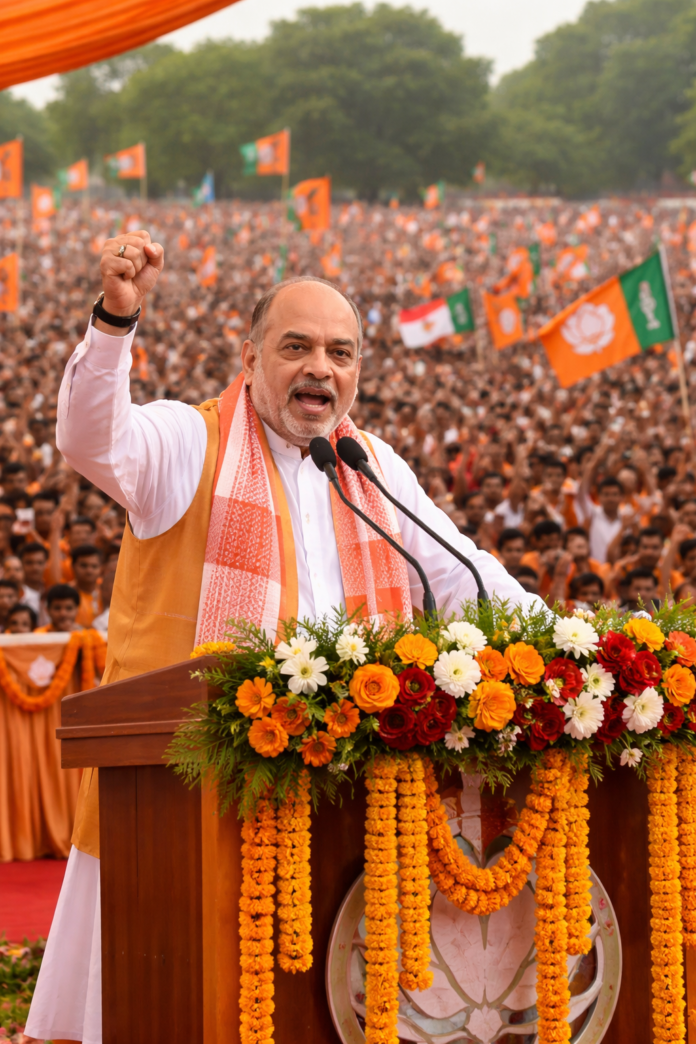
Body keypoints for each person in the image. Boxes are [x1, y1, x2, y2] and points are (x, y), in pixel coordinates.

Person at [25, 232, 542, 1044]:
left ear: (359, 371)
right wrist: (115, 322)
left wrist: (572, 646)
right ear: (250, 354)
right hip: (180, 802)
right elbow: (93, 440)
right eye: (295, 346)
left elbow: (461, 574)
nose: (319, 368)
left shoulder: (368, 464)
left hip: (344, 804)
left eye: (340, 352)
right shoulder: (188, 441)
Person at [70, 544, 103, 627]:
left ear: (101, 568)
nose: (89, 571)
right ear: (73, 566)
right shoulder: (65, 593)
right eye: (84, 566)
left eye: (94, 566)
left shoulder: (108, 591)